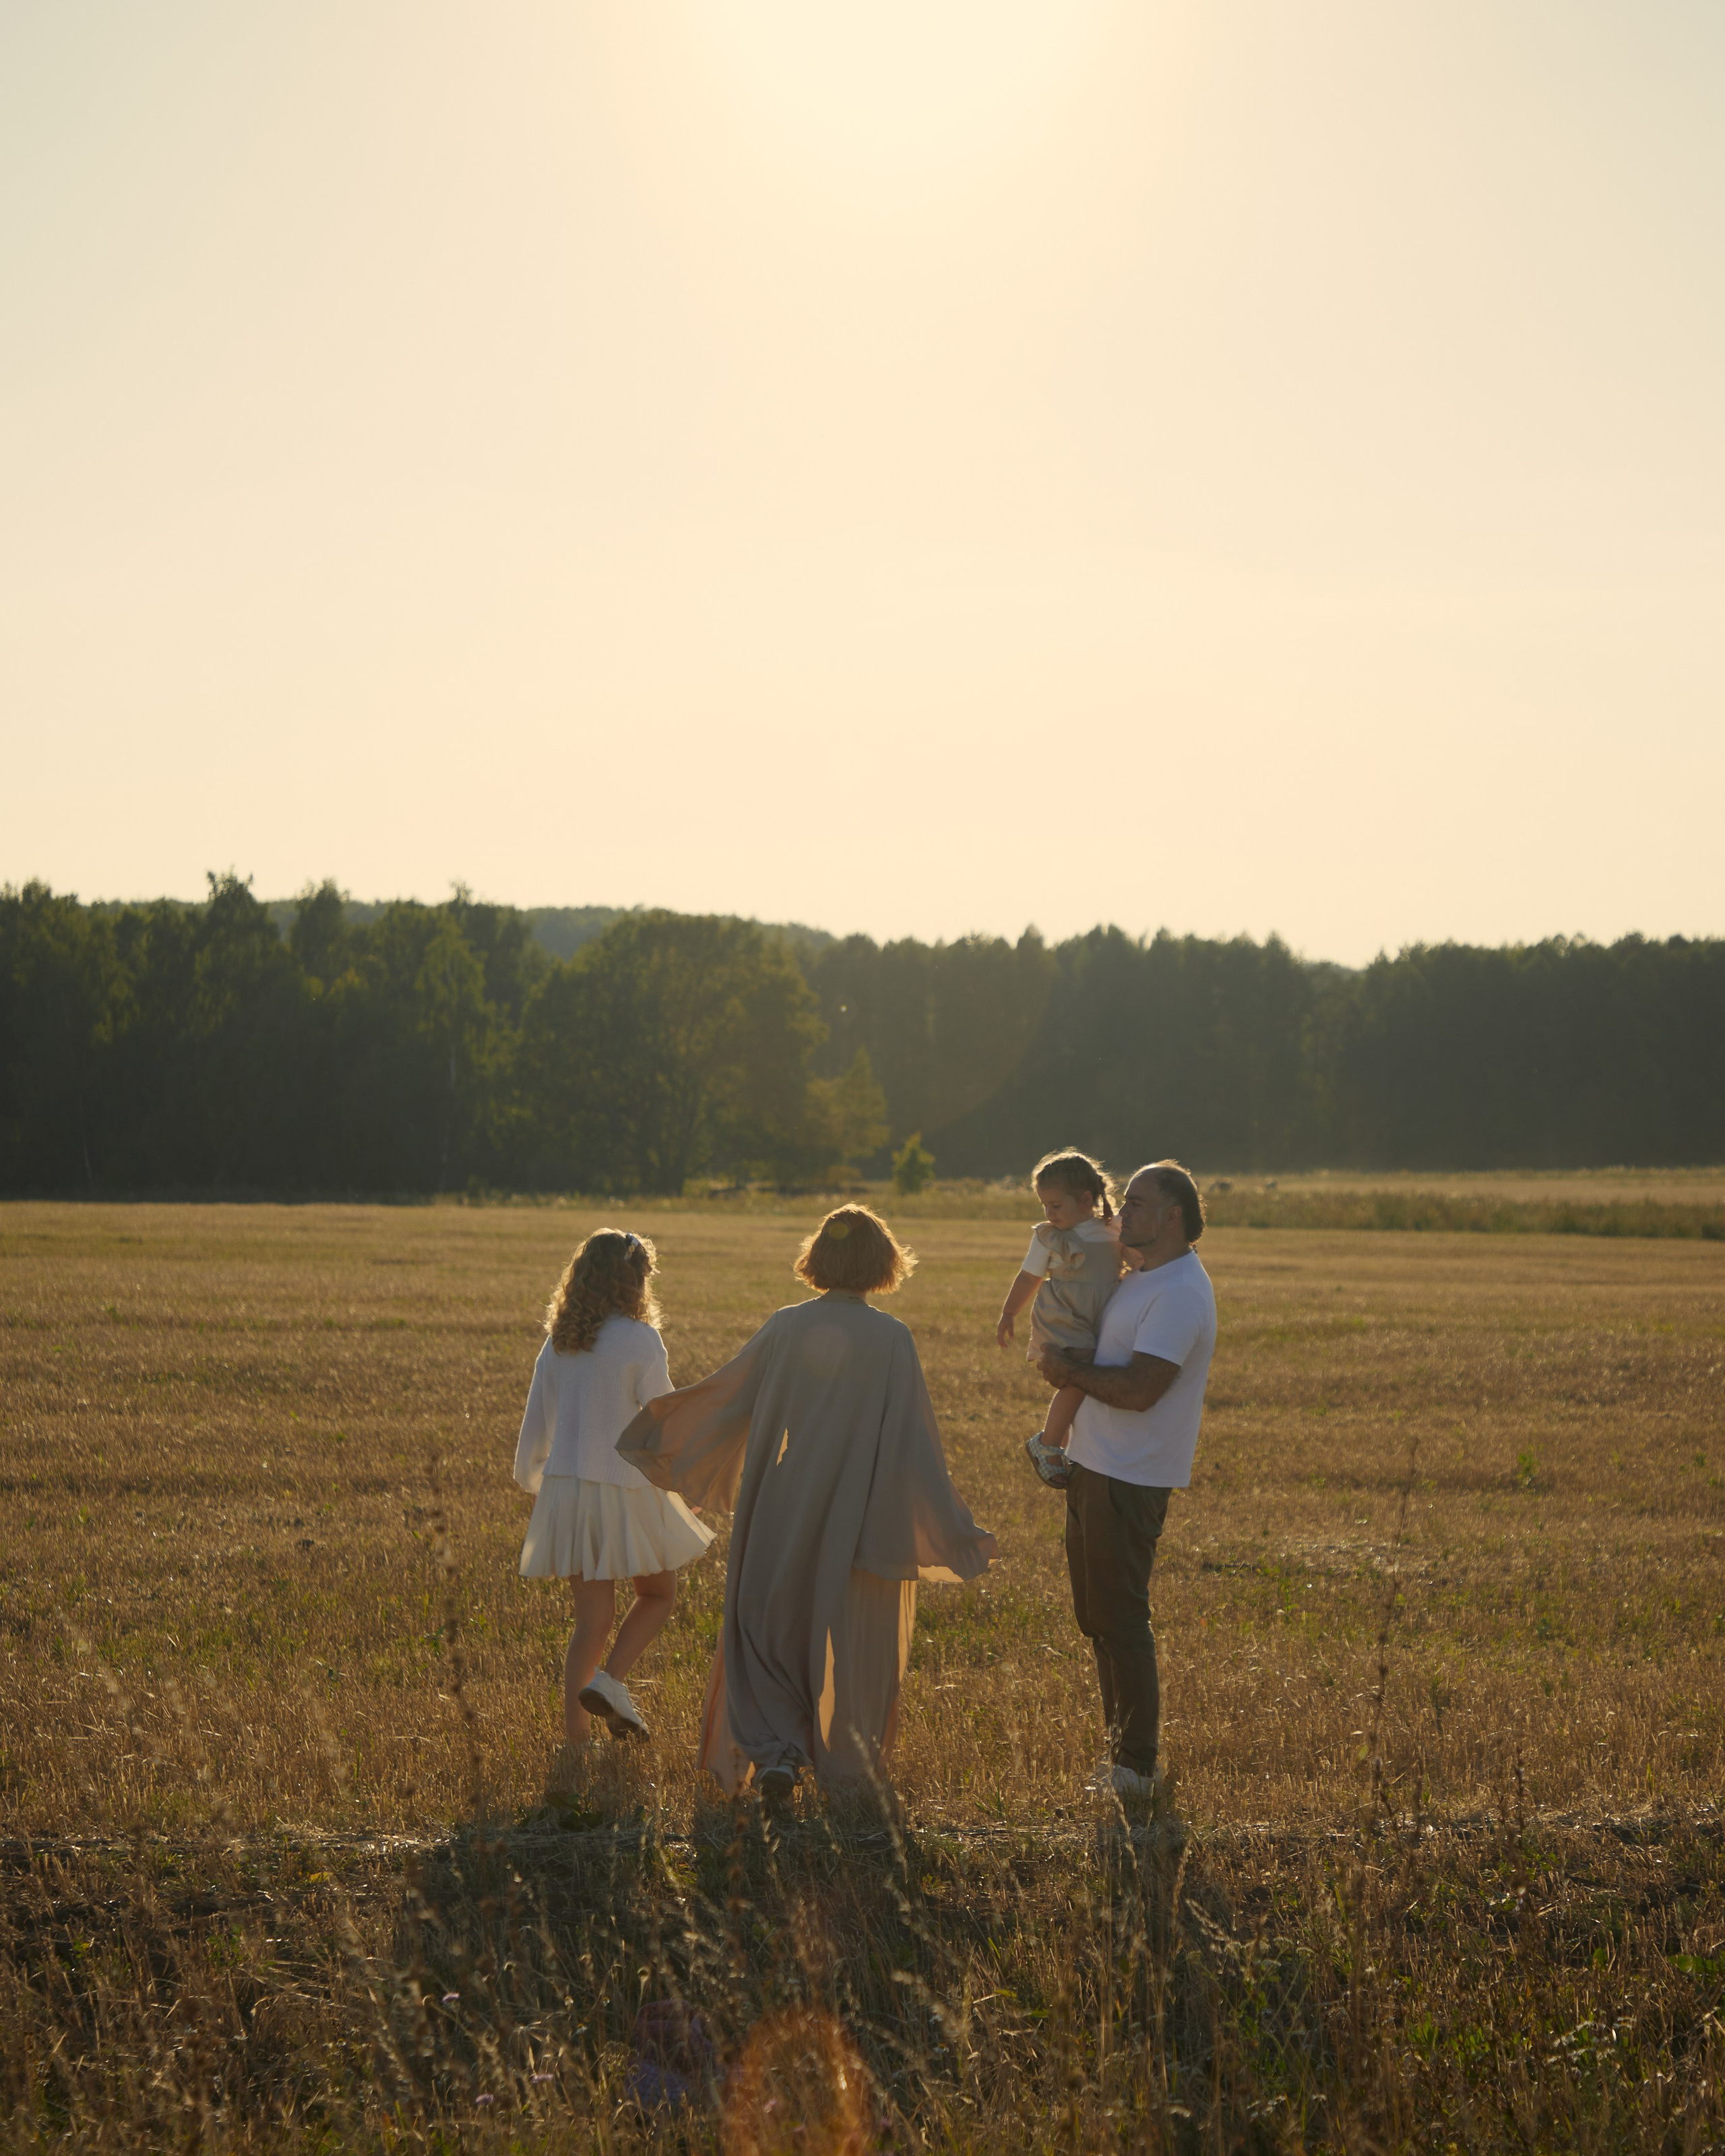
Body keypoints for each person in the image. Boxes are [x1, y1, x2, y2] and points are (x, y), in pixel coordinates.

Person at [617, 1204, 997, 1808]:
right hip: (860, 1507)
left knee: (765, 1625)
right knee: (847, 1635)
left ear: (817, 1259)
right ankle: (841, 1758)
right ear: (882, 1264)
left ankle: (777, 1752)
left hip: (784, 1499)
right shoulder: (893, 1339)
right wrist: (945, 1525)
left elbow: (727, 1397)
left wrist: (661, 1434)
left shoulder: (786, 1326)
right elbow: (911, 1440)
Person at [1036, 1162, 1216, 1804]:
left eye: (1136, 1203)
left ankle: (1137, 1766)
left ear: (1172, 1216)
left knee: (1121, 1619)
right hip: (1095, 1463)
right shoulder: (1143, 1275)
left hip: (1131, 1475)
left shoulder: (1180, 1294)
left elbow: (1140, 1391)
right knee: (1097, 1617)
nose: (1122, 1211)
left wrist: (1065, 1372)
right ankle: (1121, 1754)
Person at [513, 1230, 713, 1752]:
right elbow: (663, 1420)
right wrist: (686, 1479)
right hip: (626, 1487)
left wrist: (541, 1483)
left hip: (570, 1489)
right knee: (658, 1593)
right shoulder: (639, 1339)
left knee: (591, 1620)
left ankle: (576, 1741)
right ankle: (611, 1679)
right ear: (635, 1281)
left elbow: (536, 1429)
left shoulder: (560, 1342)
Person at [995, 1148, 1123, 1487]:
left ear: (1085, 1200)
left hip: (1102, 1315)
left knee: (1097, 1378)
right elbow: (1029, 1277)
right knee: (1077, 1378)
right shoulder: (1050, 1237)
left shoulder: (1113, 1231)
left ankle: (1074, 1446)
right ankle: (1048, 1443)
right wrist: (1009, 1313)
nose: (1049, 1214)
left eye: (1055, 1206)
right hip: (1065, 1315)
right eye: (1044, 1207)